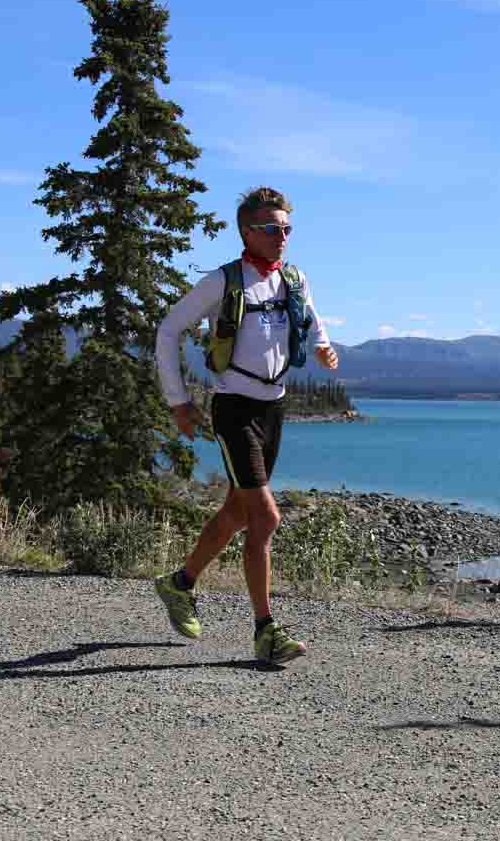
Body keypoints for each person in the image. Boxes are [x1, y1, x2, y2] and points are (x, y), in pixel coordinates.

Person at [152, 186, 339, 664]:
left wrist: (323, 346)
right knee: (266, 518)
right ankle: (266, 630)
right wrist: (178, 401)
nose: (282, 236)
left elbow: (312, 318)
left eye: (287, 228)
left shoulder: (293, 279)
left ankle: (180, 583)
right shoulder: (222, 281)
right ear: (246, 232)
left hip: (274, 409)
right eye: (272, 228)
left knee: (237, 513)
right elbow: (168, 330)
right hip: (234, 408)